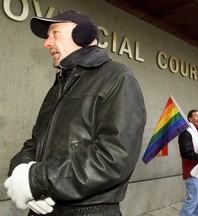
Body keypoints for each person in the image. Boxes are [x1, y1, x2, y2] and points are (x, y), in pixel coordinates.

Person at [4, 10, 146, 216]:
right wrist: (20, 171)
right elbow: (35, 143)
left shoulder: (118, 78)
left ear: (83, 34)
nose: (47, 43)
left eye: (54, 33)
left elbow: (115, 158)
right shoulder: (59, 86)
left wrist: (36, 180)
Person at [178, 109, 198, 216]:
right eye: (197, 116)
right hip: (193, 172)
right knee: (192, 201)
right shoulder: (186, 132)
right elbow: (186, 154)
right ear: (190, 119)